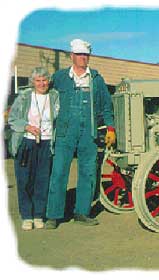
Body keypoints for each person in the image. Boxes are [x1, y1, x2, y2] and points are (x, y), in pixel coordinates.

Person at [45, 39, 116, 229]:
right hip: (64, 132)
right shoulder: (59, 77)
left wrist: (110, 127)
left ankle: (82, 212)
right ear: (72, 56)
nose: (83, 58)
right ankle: (53, 215)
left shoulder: (96, 79)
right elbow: (45, 97)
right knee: (59, 172)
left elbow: (106, 106)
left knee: (88, 172)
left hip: (89, 133)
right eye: (79, 55)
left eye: (86, 55)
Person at [8, 67, 59, 230]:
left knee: (42, 180)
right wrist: (27, 127)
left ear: (48, 81)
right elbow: (12, 118)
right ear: (32, 82)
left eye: (44, 80)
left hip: (47, 142)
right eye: (38, 80)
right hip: (26, 142)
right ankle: (27, 216)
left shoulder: (54, 96)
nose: (42, 83)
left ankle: (38, 215)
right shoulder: (24, 96)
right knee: (24, 180)